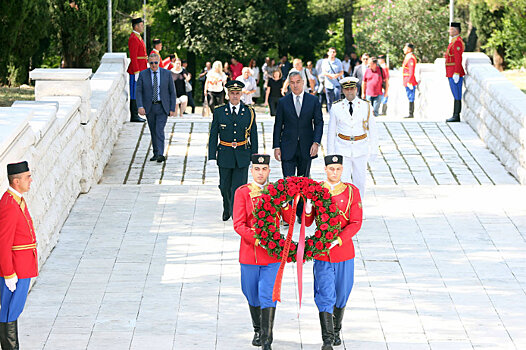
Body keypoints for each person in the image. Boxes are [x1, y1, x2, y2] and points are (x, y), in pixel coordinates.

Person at [232, 154, 293, 350]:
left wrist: (284, 202)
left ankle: (267, 339)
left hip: (272, 255)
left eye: (264, 169)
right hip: (250, 253)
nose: (260, 173)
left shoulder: (276, 192)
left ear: (268, 171)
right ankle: (258, 329)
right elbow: (239, 224)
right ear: (252, 171)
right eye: (257, 169)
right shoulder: (242, 192)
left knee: (268, 294)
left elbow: (289, 218)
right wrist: (258, 239)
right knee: (251, 293)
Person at [303, 155, 363, 349]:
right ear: (325, 169)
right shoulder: (317, 190)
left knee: (342, 292)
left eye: (337, 169)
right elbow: (308, 221)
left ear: (342, 170)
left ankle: (336, 329)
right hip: (322, 253)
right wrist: (308, 206)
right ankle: (327, 339)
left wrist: (338, 240)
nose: (334, 172)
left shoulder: (351, 192)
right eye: (331, 169)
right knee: (325, 293)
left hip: (344, 250)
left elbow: (355, 222)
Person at [273, 71, 323, 221]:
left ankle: (301, 213)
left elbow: (319, 122)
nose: (295, 85)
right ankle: (287, 215)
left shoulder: (313, 101)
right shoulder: (283, 102)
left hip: (307, 148)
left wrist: (316, 142)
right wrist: (276, 146)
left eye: (298, 82)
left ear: (303, 82)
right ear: (289, 84)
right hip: (287, 147)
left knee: (303, 181)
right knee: (288, 182)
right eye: (292, 82)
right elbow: (278, 125)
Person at [0, 161, 39, 350]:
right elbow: (3, 243)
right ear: (16, 181)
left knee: (13, 311)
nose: (31, 180)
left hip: (23, 267)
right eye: (27, 177)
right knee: (9, 312)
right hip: (15, 270)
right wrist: (8, 273)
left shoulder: (17, 200)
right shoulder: (8, 204)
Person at [208, 80, 258, 221]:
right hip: (225, 153)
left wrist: (255, 157)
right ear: (227, 94)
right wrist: (212, 156)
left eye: (237, 93)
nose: (235, 96)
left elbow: (253, 135)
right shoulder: (219, 111)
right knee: (224, 186)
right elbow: (213, 135)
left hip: (242, 153)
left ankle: (237, 212)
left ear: (241, 94)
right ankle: (227, 206)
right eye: (232, 93)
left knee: (239, 187)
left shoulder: (249, 112)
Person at [327, 77, 378, 199]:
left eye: (352, 89)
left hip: (361, 148)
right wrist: (330, 154)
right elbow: (331, 132)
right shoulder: (336, 107)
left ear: (356, 89)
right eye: (347, 89)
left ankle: (359, 210)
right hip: (342, 148)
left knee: (360, 181)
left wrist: (374, 150)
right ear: (343, 91)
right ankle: (344, 210)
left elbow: (373, 130)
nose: (349, 92)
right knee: (343, 182)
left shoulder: (366, 106)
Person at [136, 53, 177, 163]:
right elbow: (138, 91)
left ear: (159, 62)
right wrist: (140, 106)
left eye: (155, 62)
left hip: (162, 107)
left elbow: (172, 92)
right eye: (151, 63)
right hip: (149, 107)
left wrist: (172, 108)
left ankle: (160, 154)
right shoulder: (143, 74)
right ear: (149, 63)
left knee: (159, 130)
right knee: (153, 130)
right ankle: (155, 152)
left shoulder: (167, 74)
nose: (154, 65)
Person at [127, 17, 147, 123]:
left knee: (138, 92)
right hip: (136, 70)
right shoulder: (133, 38)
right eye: (141, 25)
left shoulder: (138, 37)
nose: (142, 27)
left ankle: (137, 114)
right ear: (136, 26)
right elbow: (133, 57)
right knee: (134, 93)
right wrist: (136, 72)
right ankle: (134, 115)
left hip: (141, 68)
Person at [445, 22, 465, 123]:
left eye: (451, 29)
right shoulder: (453, 41)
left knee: (457, 94)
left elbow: (458, 58)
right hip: (451, 71)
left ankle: (456, 115)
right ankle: (455, 114)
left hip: (454, 72)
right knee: (455, 94)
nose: (449, 31)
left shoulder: (457, 42)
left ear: (456, 31)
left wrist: (457, 72)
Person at [402, 44, 418, 118]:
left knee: (411, 96)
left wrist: (409, 81)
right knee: (409, 96)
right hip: (406, 79)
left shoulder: (411, 58)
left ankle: (411, 113)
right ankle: (410, 112)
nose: (403, 49)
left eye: (405, 48)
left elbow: (411, 71)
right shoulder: (408, 57)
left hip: (409, 80)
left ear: (409, 49)